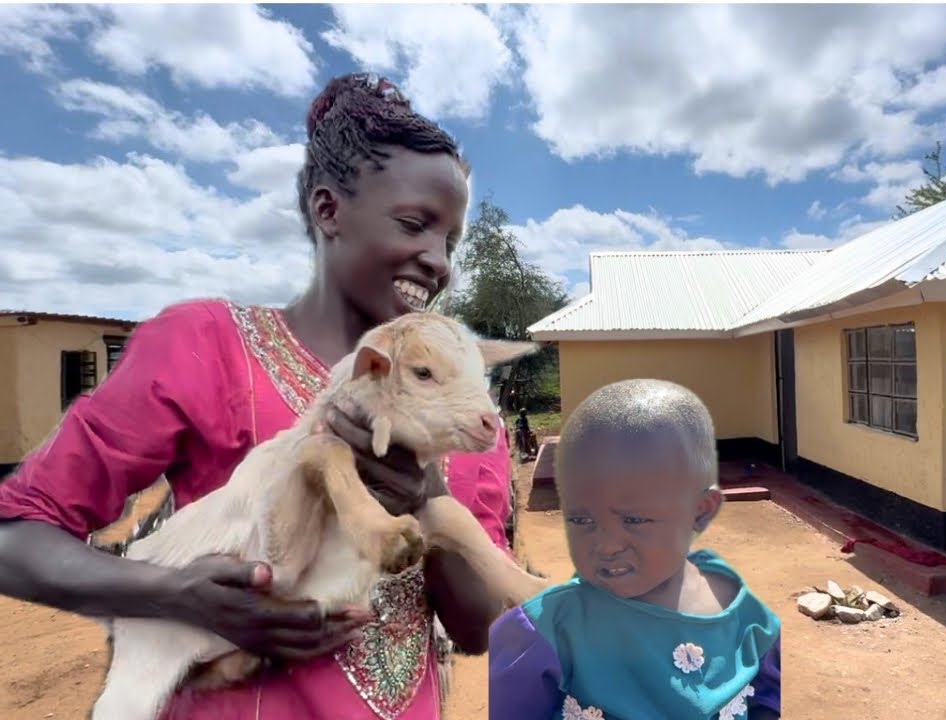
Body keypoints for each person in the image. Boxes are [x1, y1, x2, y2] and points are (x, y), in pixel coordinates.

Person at [0, 72, 513, 720]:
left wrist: (427, 495)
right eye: (415, 224)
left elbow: (473, 629)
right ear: (328, 210)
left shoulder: (461, 417)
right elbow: (15, 534)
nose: (438, 260)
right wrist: (175, 594)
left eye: (450, 241)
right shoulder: (207, 347)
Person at [488, 379, 783, 719]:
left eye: (635, 520)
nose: (607, 546)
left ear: (700, 510)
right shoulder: (544, 633)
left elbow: (765, 703)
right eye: (582, 520)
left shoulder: (749, 620)